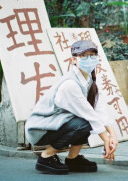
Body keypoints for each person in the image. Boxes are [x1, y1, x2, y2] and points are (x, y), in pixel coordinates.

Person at [25, 40, 118, 175]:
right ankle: (46, 157)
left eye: (92, 55)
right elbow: (90, 115)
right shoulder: (70, 84)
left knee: (85, 122)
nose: (89, 59)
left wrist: (112, 136)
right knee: (84, 123)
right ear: (74, 60)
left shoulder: (88, 81)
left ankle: (72, 160)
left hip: (56, 124)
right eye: (84, 56)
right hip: (40, 129)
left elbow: (98, 110)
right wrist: (106, 140)